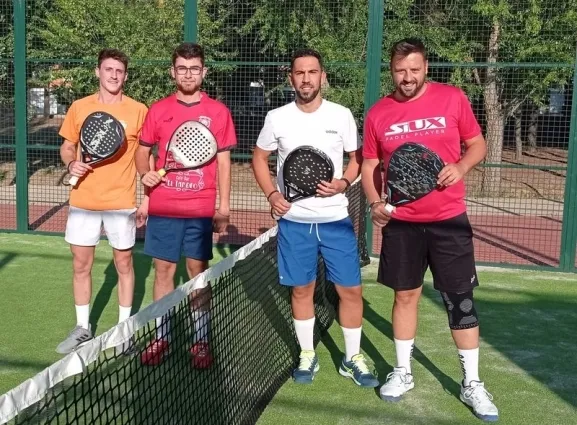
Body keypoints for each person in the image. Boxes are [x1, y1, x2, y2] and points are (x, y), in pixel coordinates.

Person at [361, 37, 499, 422]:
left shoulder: (452, 98)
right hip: (402, 226)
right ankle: (403, 372)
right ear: (392, 71)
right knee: (405, 297)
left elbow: (477, 144)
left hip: (449, 221)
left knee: (460, 300)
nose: (407, 77)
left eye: (414, 69)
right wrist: (375, 203)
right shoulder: (378, 113)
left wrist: (462, 166)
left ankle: (471, 383)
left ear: (426, 68)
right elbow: (371, 164)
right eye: (400, 70)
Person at [252, 48, 378, 388]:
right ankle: (307, 353)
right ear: (291, 78)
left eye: (312, 72)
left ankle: (352, 358)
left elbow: (357, 158)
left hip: (336, 221)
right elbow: (259, 158)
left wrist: (343, 182)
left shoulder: (341, 115)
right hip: (294, 223)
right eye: (299, 73)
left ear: (323, 76)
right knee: (301, 290)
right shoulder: (277, 117)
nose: (306, 79)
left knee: (350, 291)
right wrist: (273, 195)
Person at [135, 42, 236, 368]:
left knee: (197, 273)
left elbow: (223, 162)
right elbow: (142, 151)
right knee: (163, 271)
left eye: (194, 69)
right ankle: (161, 337)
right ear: (172, 72)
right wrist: (145, 174)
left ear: (203, 72)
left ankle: (201, 341)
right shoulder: (158, 110)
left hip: (199, 209)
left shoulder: (218, 112)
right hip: (164, 207)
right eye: (182, 68)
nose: (188, 74)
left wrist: (224, 207)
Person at [57, 48, 149, 355]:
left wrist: (147, 198)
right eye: (108, 69)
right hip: (83, 202)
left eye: (119, 71)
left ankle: (123, 332)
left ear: (125, 76)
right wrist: (71, 163)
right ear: (98, 72)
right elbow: (67, 146)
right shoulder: (79, 107)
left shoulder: (138, 110)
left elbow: (143, 157)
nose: (113, 75)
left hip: (121, 203)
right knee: (80, 264)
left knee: (124, 264)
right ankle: (82, 327)